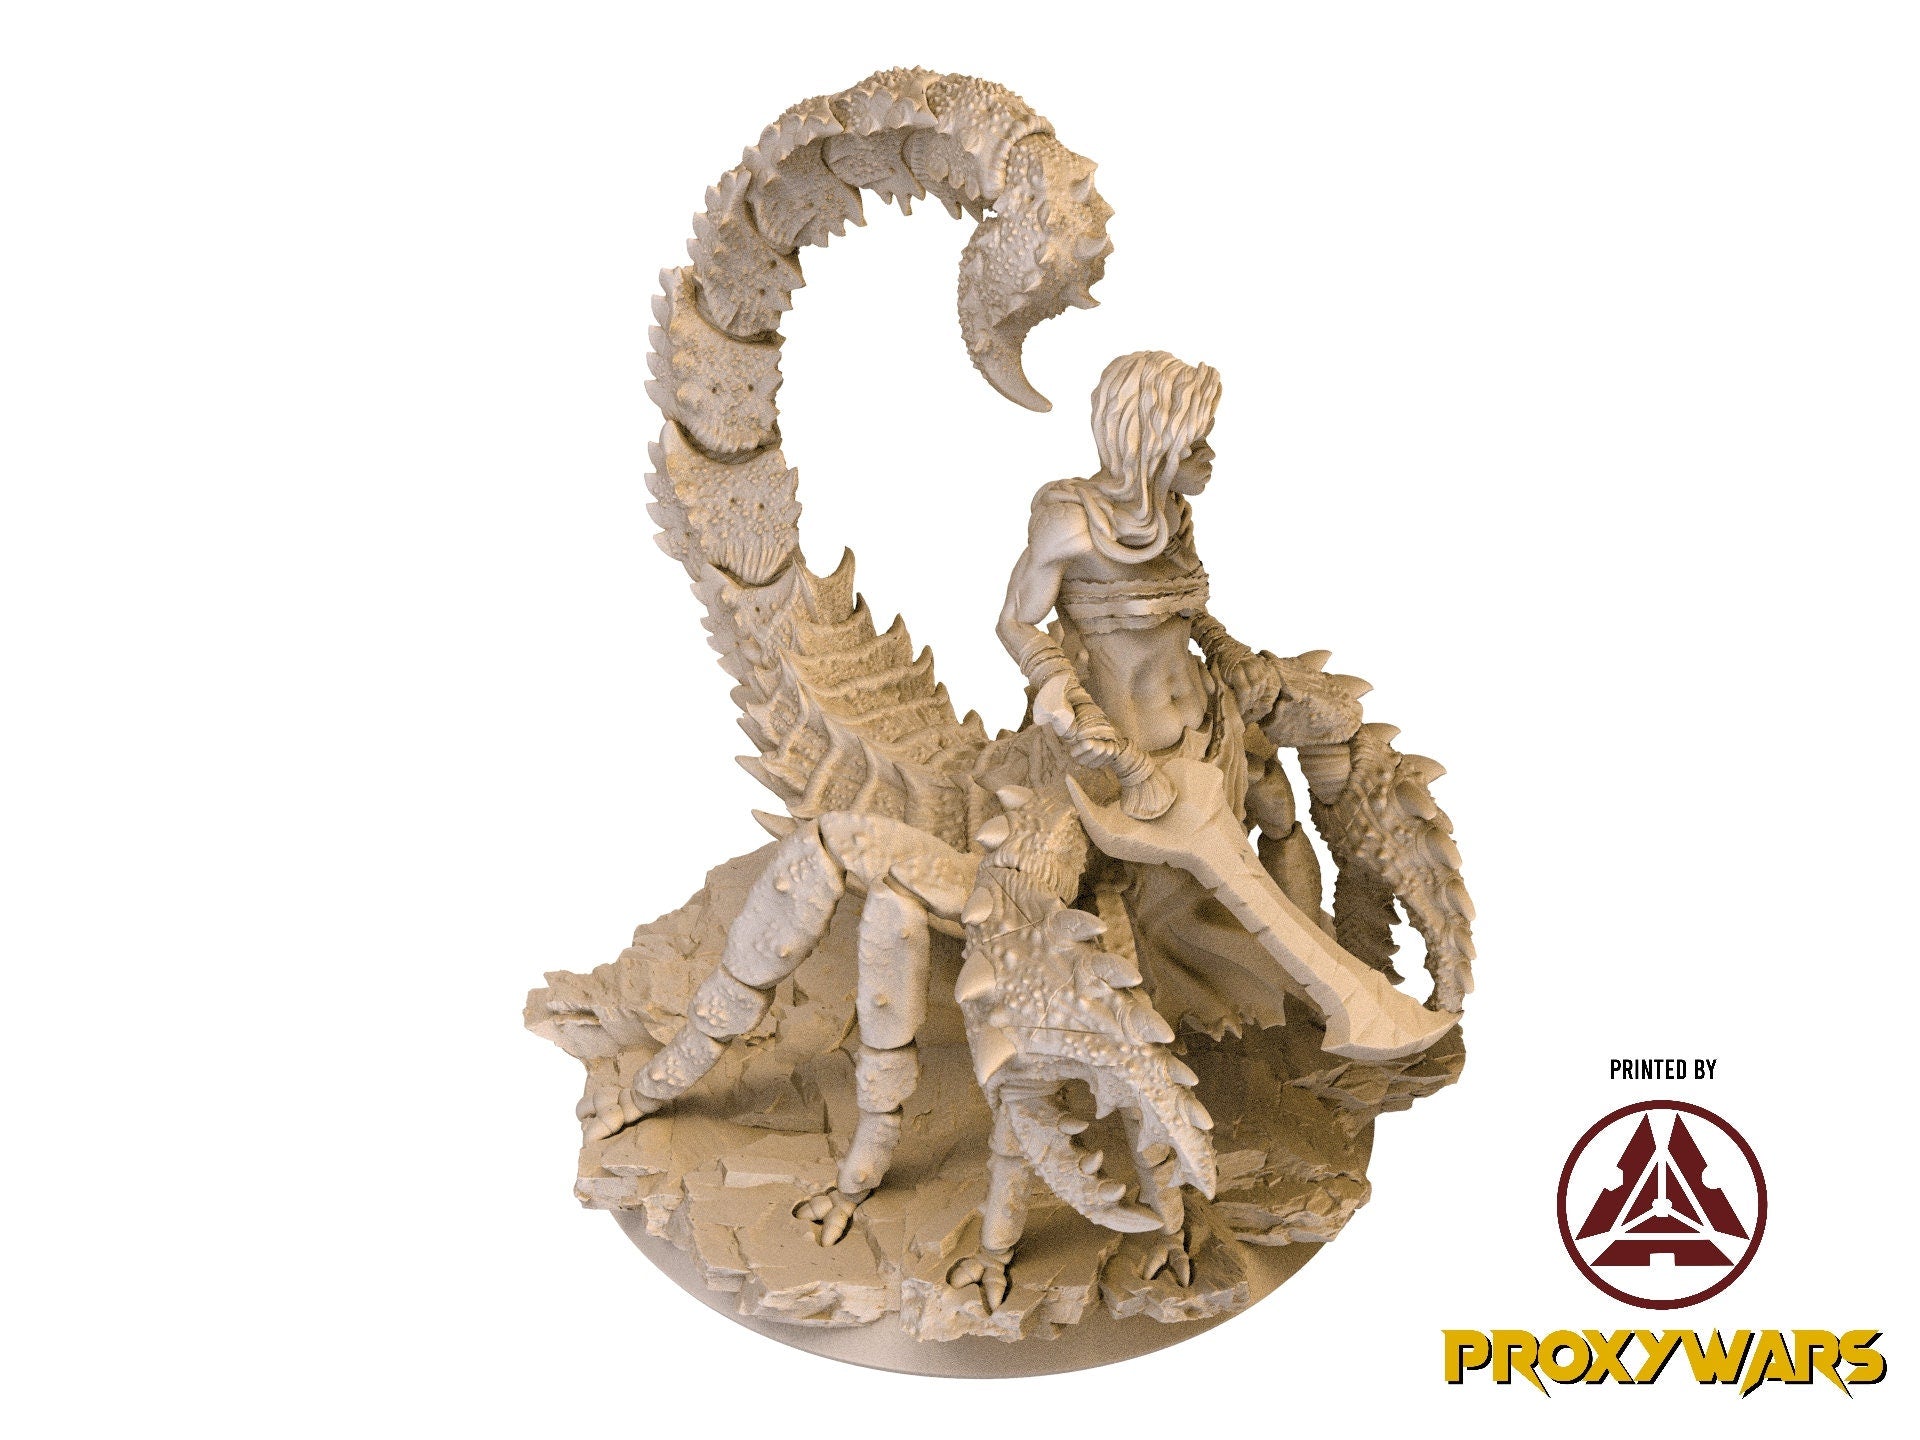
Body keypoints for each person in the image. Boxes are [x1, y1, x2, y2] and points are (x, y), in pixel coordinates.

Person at [997, 350, 1327, 1036]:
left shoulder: (1172, 512)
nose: (1209, 456)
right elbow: (1016, 622)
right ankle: (1163, 1022)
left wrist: (1227, 649)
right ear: (1149, 442)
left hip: (1208, 722)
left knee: (1275, 808)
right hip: (1125, 747)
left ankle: (1314, 972)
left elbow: (1185, 608)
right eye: (1194, 442)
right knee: (1149, 899)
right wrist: (1062, 692)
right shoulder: (1071, 523)